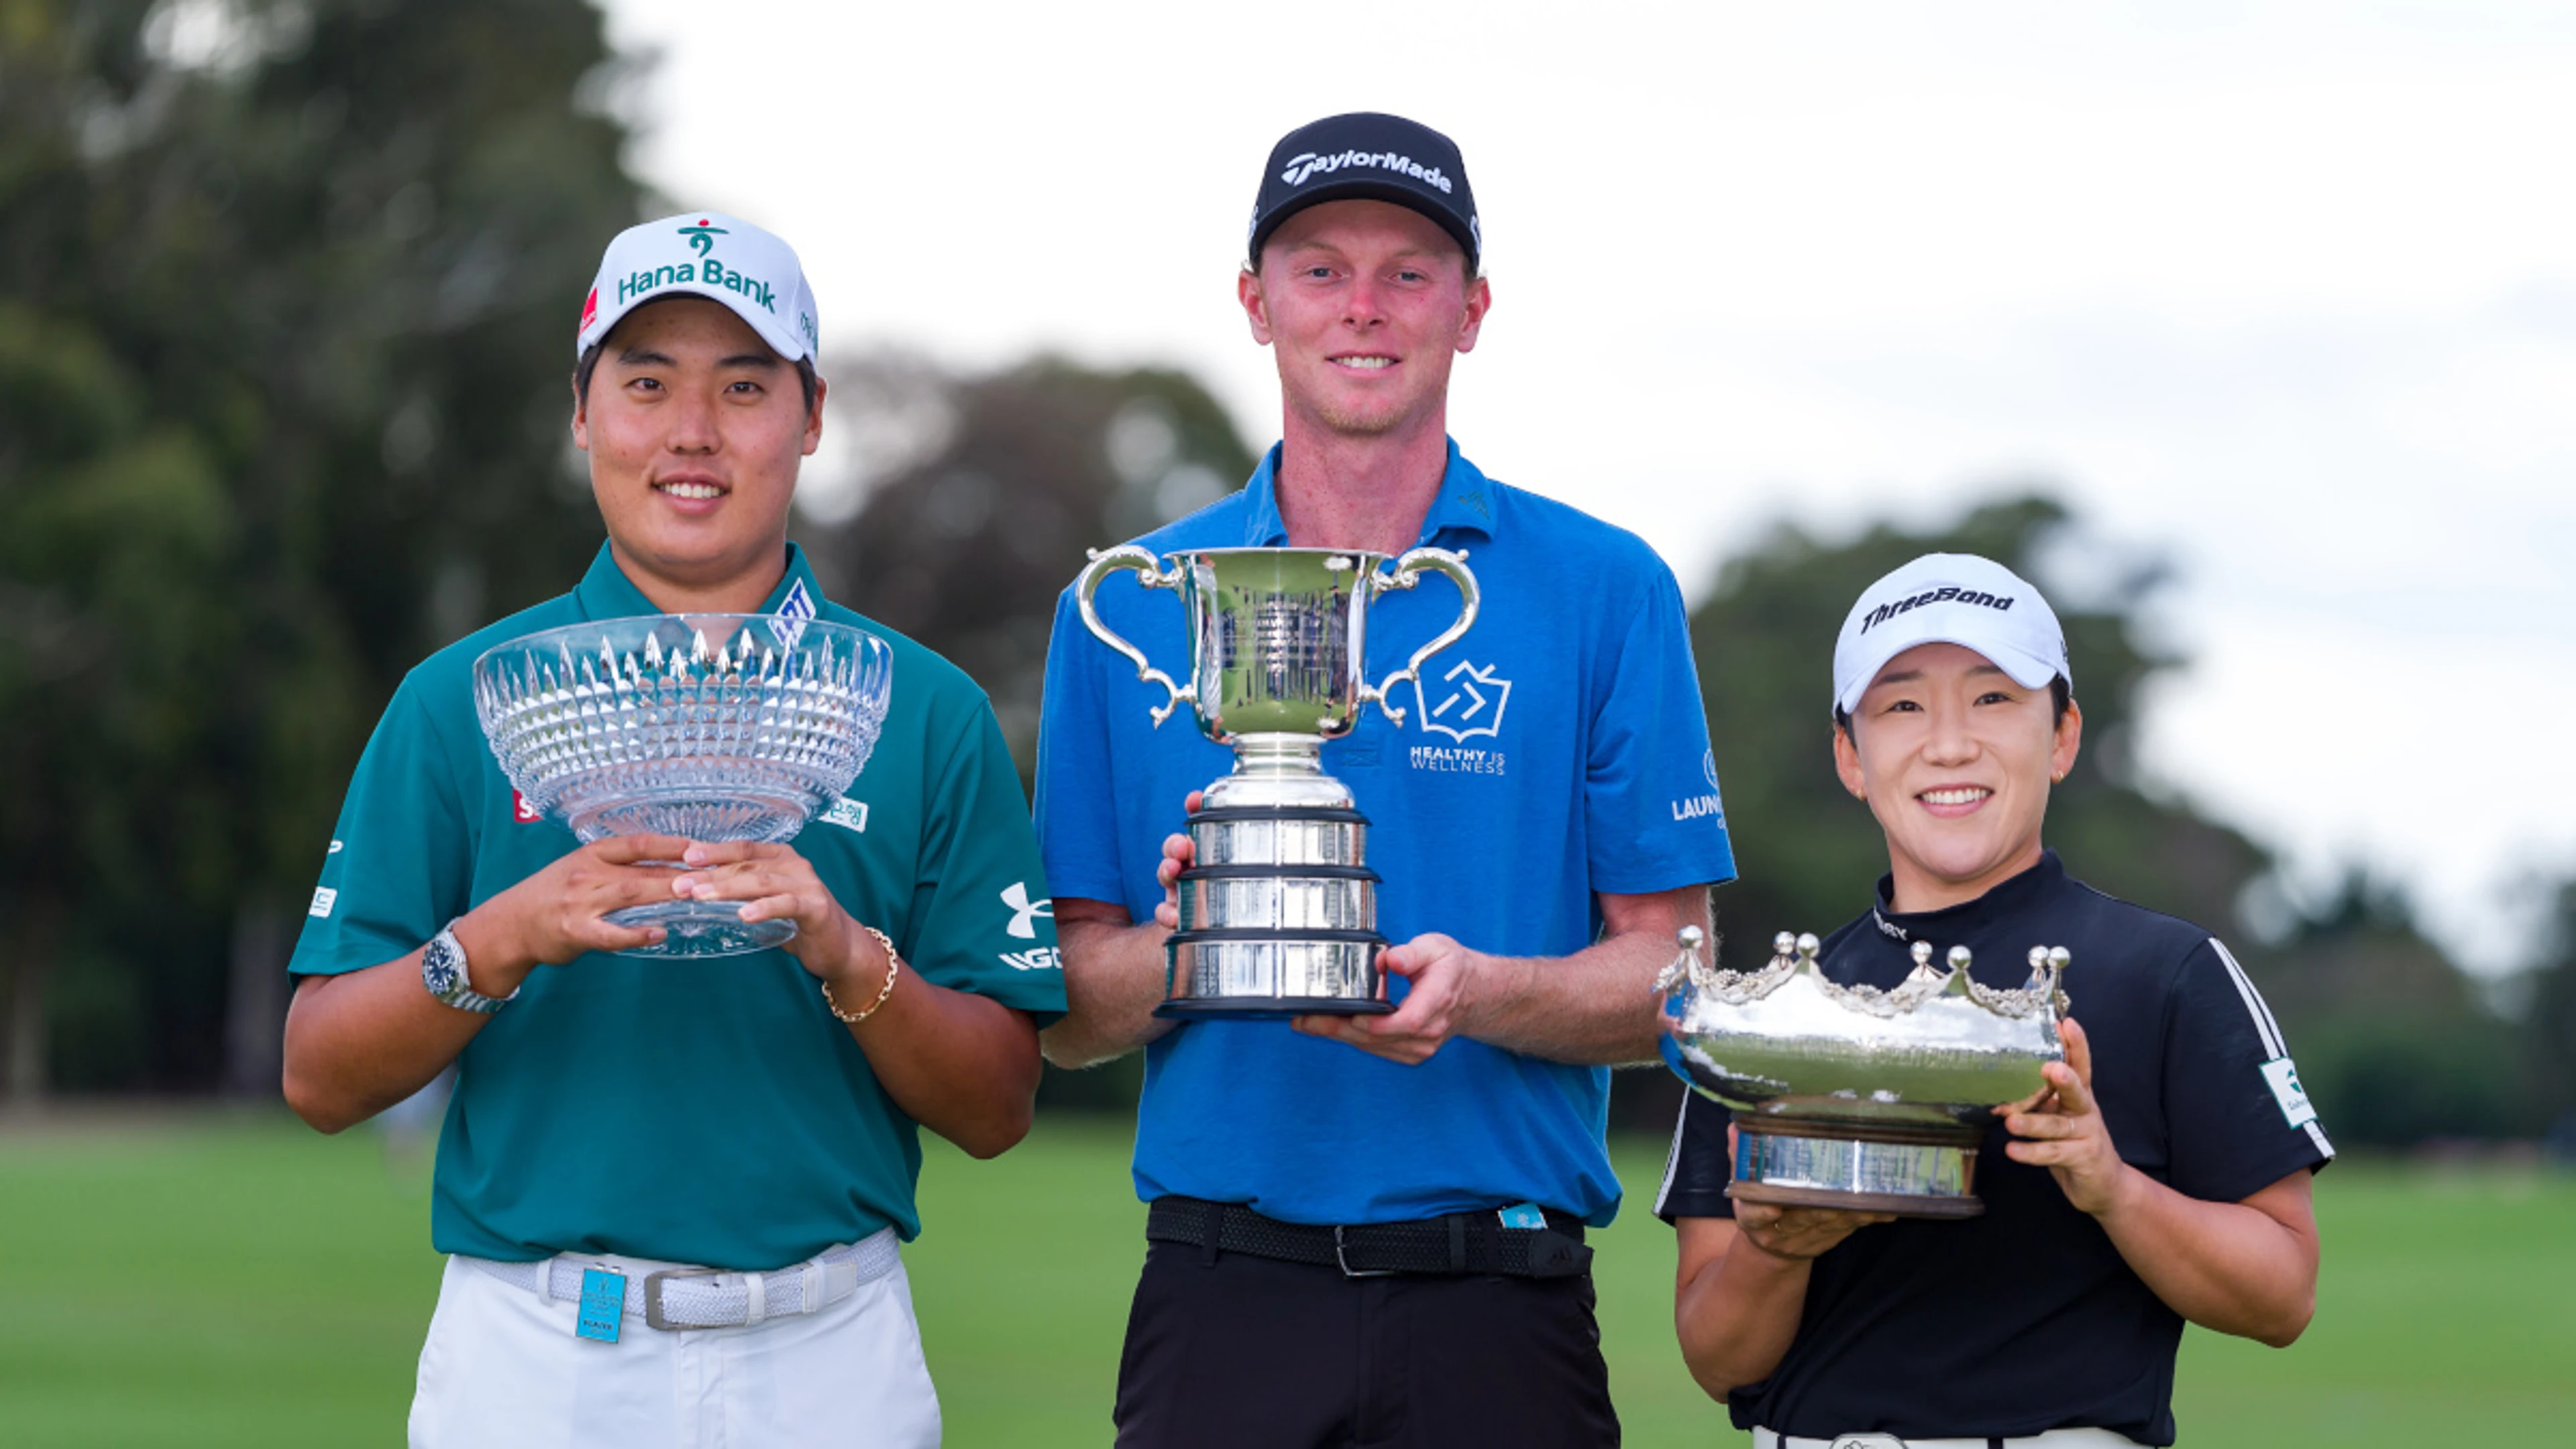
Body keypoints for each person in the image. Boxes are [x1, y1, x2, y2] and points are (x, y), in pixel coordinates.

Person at [280, 211, 1065, 1449]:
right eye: (647, 384)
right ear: (583, 413)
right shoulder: (462, 700)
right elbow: (321, 1077)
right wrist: (502, 939)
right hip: (537, 1358)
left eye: (743, 386)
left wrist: (848, 957)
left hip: (830, 1354)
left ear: (812, 417)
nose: (693, 431)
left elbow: (997, 1107)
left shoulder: (923, 711)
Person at [1034, 113, 1737, 1447]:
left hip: (1501, 1296)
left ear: (1471, 310)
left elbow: (1677, 976)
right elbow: (1062, 1010)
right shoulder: (1126, 602)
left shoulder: (1606, 588)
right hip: (1221, 1292)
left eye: (1409, 272)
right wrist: (1206, 939)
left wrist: (1480, 993)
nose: (1363, 307)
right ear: (1257, 303)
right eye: (1320, 268)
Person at [1659, 553, 2332, 1449]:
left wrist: (2110, 1185)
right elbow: (1717, 1362)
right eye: (1902, 707)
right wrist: (1776, 1249)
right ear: (1850, 757)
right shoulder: (1777, 1012)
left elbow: (2283, 1296)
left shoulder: (2171, 974)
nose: (1949, 745)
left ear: (2062, 736)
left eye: (1992, 698)